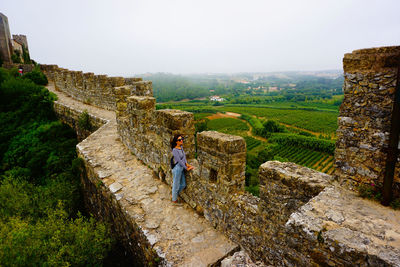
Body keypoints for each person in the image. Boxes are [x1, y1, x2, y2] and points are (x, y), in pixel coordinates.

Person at [170, 134, 194, 204]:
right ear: (176, 142)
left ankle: (174, 195)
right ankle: (174, 200)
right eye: (180, 140)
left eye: (182, 139)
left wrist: (187, 164)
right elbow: (179, 161)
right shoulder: (174, 150)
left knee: (183, 184)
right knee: (176, 185)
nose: (182, 140)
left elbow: (184, 158)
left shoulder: (181, 147)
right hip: (177, 169)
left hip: (181, 168)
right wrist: (186, 168)